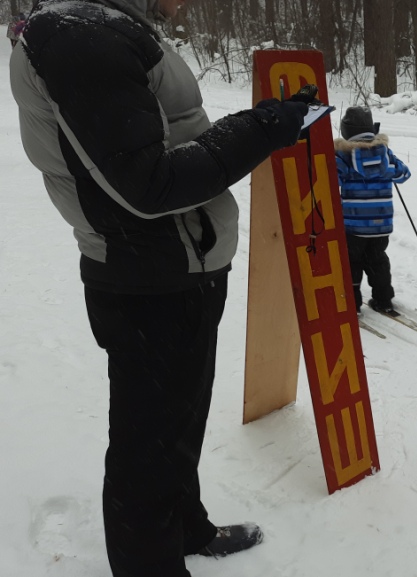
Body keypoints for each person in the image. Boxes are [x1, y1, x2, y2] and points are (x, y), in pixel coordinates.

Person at [10, 0, 312, 575]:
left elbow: (164, 140)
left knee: (176, 426)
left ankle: (185, 528)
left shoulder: (99, 27)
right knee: (147, 448)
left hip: (174, 267)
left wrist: (264, 121)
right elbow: (148, 184)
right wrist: (261, 129)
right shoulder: (81, 38)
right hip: (150, 278)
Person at [334, 106, 412, 315]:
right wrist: (388, 170)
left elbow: (332, 180)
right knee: (378, 260)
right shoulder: (384, 153)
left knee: (352, 262)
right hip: (381, 225)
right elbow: (404, 174)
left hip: (353, 226)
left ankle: (352, 304)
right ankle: (383, 300)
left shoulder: (343, 155)